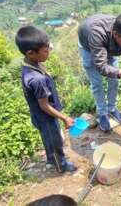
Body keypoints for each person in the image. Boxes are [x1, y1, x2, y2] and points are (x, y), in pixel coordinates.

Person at [16, 26, 77, 173]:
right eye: (45, 50)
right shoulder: (37, 79)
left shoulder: (29, 64)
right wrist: (65, 118)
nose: (49, 51)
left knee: (49, 140)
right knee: (55, 143)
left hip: (40, 116)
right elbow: (44, 106)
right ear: (31, 53)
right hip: (46, 117)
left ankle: (51, 159)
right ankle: (60, 165)